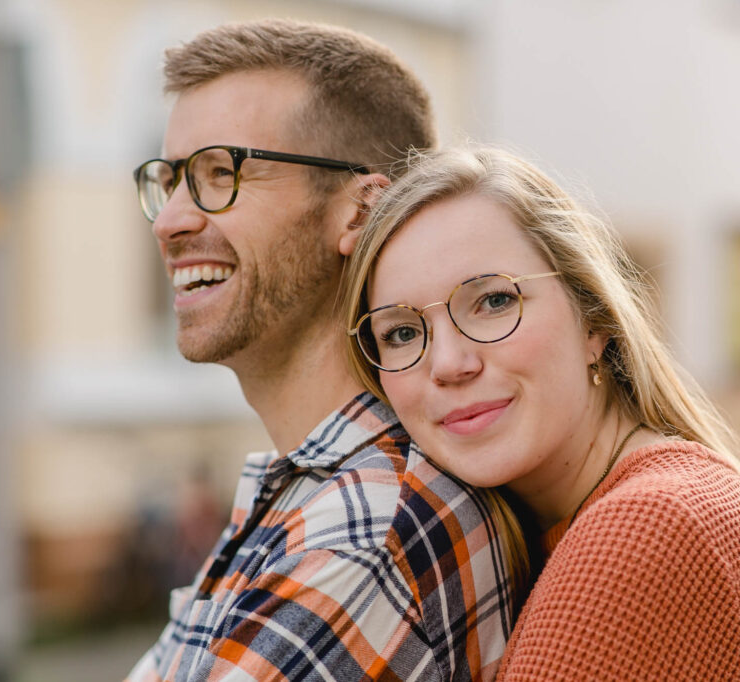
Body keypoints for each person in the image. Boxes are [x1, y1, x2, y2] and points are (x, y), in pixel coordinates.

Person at [342, 146, 740, 680]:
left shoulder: (648, 523)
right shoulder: (569, 523)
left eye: (494, 301)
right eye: (403, 332)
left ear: (593, 319)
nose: (449, 364)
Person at [126, 22, 515, 682]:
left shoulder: (367, 534)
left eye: (220, 173)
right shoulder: (302, 490)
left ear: (360, 212)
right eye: (169, 181)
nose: (169, 221)